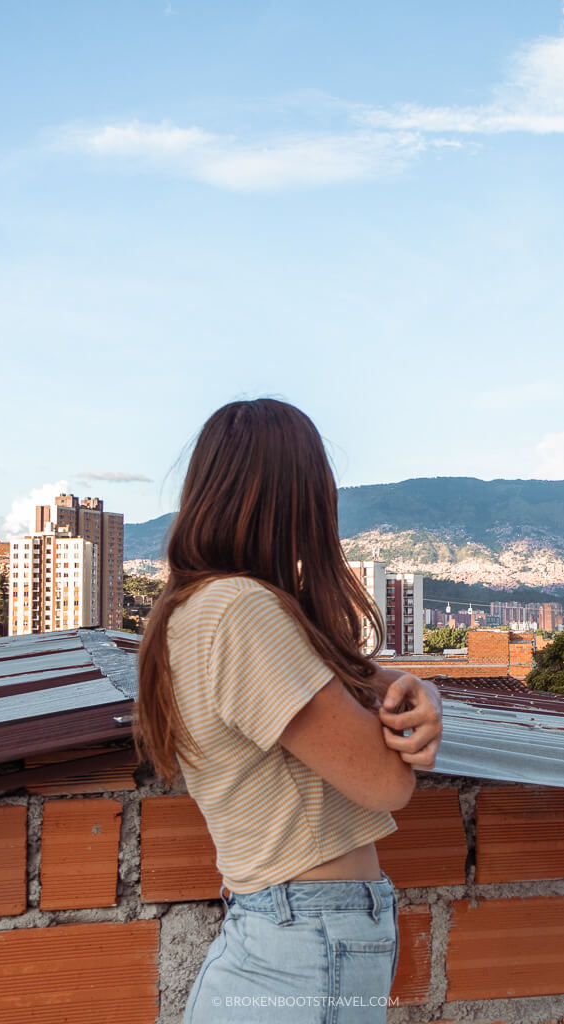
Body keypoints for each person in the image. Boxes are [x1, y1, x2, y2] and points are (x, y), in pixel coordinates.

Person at [136, 398, 443, 1023]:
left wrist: (418, 687)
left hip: (274, 939)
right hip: (306, 943)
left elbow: (345, 678)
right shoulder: (242, 611)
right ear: (299, 496)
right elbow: (385, 783)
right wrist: (403, 722)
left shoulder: (192, 611)